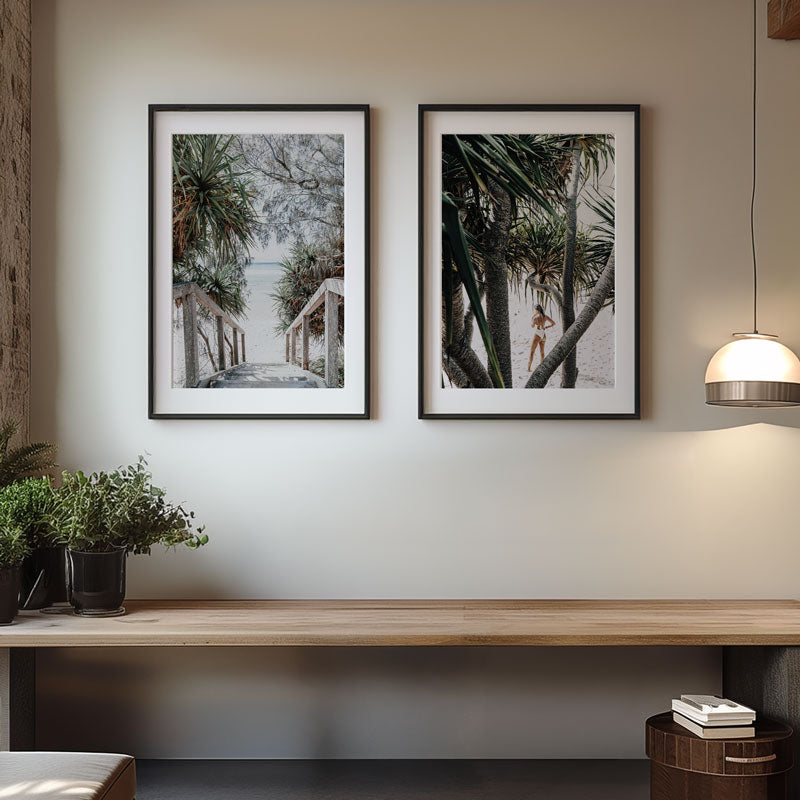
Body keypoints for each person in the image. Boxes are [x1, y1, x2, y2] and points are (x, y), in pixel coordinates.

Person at [528, 303, 555, 371]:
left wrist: (532, 318)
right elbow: (553, 323)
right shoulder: (545, 317)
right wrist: (546, 327)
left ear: (537, 310)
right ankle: (541, 367)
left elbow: (532, 326)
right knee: (542, 352)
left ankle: (528, 368)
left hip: (537, 334)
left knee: (532, 352)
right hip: (543, 335)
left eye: (535, 310)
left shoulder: (535, 318)